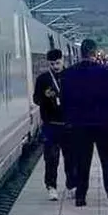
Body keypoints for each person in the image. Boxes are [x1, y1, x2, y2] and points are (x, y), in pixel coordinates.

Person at [60, 38, 108, 208]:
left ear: (81, 53)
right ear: (95, 53)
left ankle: (80, 196)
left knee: (82, 160)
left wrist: (69, 121)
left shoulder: (68, 74)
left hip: (79, 125)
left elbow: (64, 101)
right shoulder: (107, 72)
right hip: (105, 125)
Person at [33, 48, 68, 201]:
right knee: (51, 157)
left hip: (68, 124)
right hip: (50, 124)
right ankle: (51, 186)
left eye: (58, 63)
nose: (55, 66)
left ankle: (72, 183)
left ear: (63, 61)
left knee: (71, 156)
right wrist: (44, 97)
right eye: (52, 64)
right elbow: (36, 100)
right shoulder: (43, 79)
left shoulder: (70, 76)